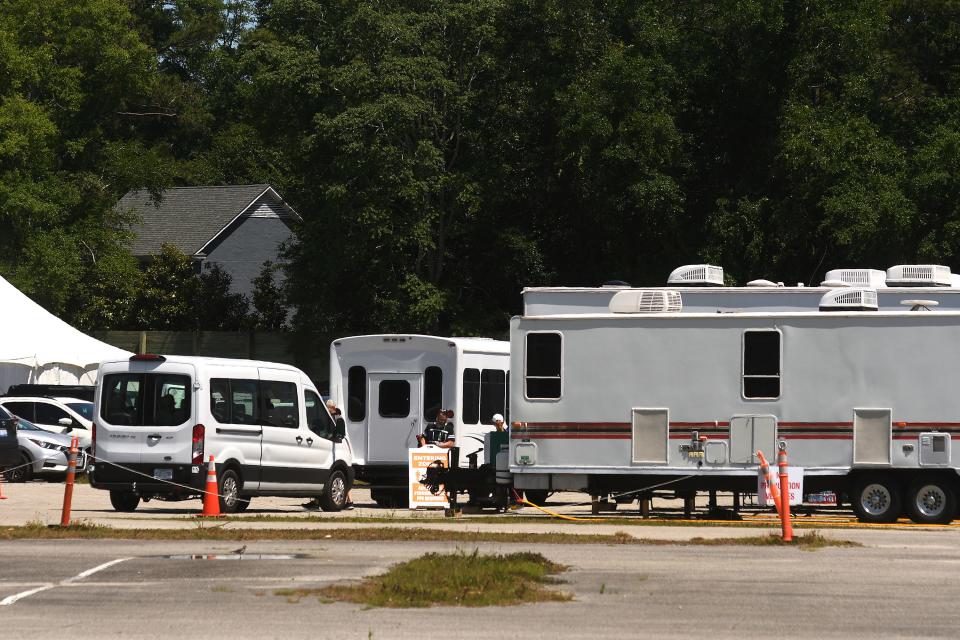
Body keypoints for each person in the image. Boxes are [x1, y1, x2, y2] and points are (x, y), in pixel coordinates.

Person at [303, 399, 354, 511]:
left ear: (332, 408)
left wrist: (332, 436)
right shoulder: (333, 418)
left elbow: (340, 433)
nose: (326, 410)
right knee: (334, 476)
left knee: (339, 476)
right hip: (335, 447)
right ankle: (317, 502)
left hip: (337, 447)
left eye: (327, 408)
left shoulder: (337, 419)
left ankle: (349, 501)